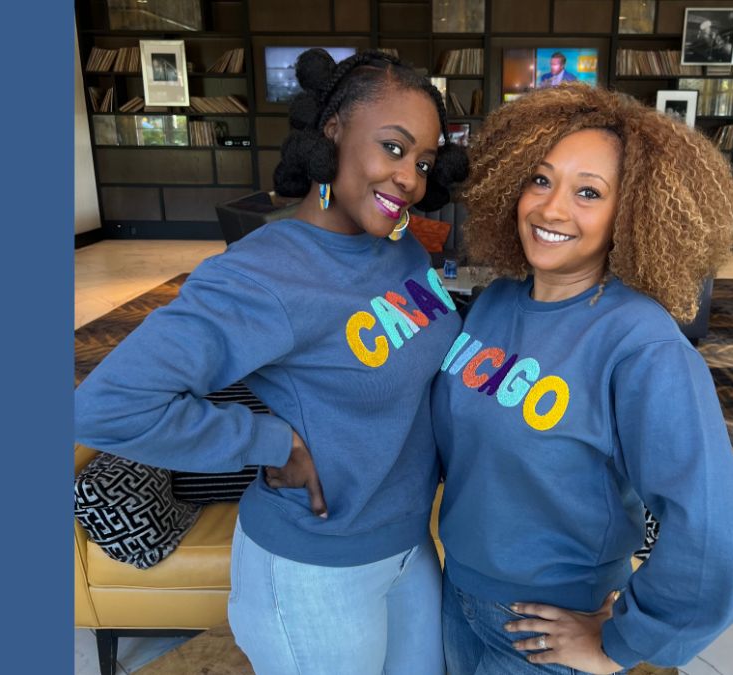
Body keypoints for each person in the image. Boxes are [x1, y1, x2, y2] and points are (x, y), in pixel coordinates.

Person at [75, 49, 468, 675]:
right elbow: (107, 406)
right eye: (392, 149)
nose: (410, 180)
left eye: (422, 162)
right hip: (313, 570)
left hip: (410, 545)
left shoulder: (402, 250)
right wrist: (269, 441)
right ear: (333, 131)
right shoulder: (263, 274)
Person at [432, 83, 733, 674]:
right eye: (540, 180)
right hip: (457, 595)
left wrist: (621, 642)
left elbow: (711, 529)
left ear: (629, 213)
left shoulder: (642, 345)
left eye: (588, 192)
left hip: (548, 630)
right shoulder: (495, 303)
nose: (552, 209)